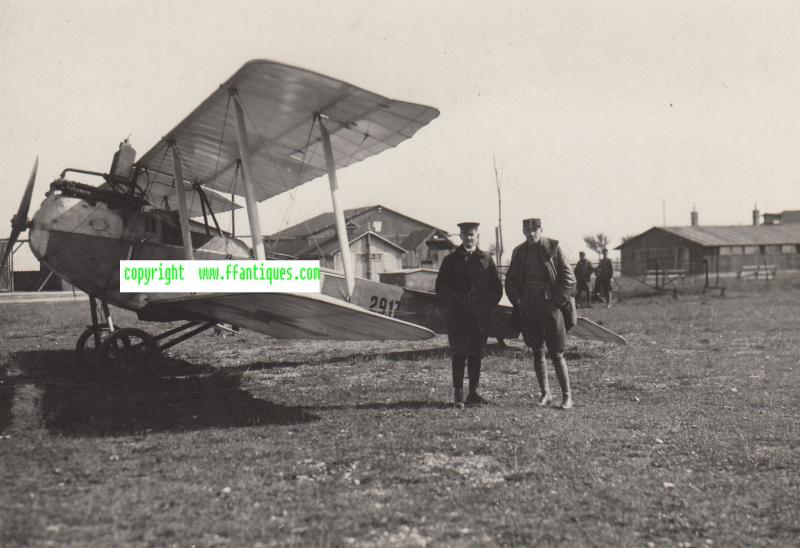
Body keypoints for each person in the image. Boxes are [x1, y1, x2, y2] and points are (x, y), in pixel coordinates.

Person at [505, 218, 576, 409]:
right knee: (536, 350)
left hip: (550, 306)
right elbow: (510, 280)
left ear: (541, 230)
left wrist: (556, 302)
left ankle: (567, 396)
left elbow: (569, 278)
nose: (531, 234)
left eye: (535, 230)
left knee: (557, 352)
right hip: (528, 306)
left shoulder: (554, 248)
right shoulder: (519, 252)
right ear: (523, 232)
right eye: (527, 230)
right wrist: (518, 300)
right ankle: (545, 394)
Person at [435, 222, 503, 408]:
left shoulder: (486, 259)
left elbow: (496, 288)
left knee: (476, 355)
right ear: (461, 235)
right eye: (465, 234)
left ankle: (473, 393)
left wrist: (486, 304)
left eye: (472, 234)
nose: (469, 238)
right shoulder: (451, 260)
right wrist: (455, 302)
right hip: (458, 318)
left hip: (480, 318)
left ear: (477, 235)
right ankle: (459, 395)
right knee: (459, 355)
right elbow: (440, 288)